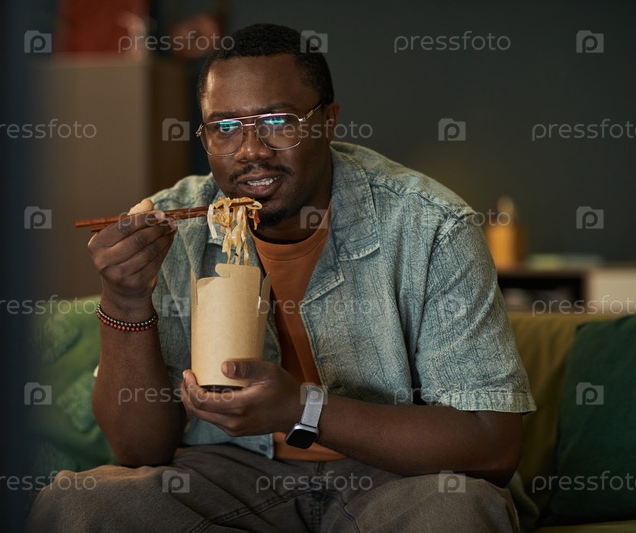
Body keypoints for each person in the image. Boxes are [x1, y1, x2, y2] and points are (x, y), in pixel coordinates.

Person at [28, 23, 535, 532]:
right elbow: (138, 451)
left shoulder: (432, 225)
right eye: (225, 127)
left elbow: (492, 446)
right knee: (75, 504)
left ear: (328, 122)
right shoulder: (172, 226)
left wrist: (302, 409)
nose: (250, 150)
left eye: (277, 121)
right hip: (231, 470)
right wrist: (123, 299)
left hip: (395, 478)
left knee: (457, 510)